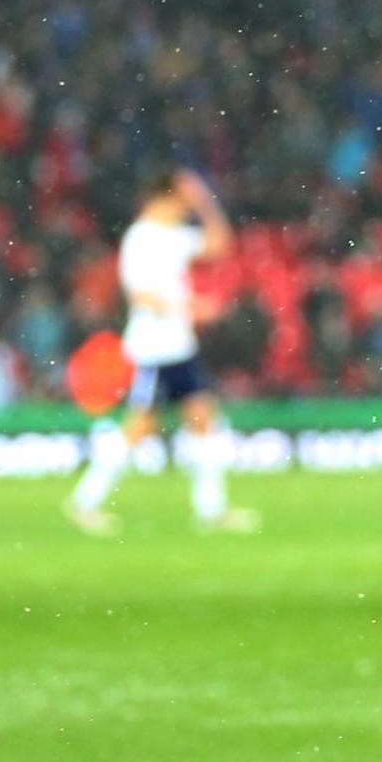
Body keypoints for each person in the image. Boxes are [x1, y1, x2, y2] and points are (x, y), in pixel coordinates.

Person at [65, 168, 258, 536]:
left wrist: (204, 201)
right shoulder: (141, 239)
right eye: (183, 200)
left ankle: (211, 509)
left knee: (202, 418)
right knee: (140, 426)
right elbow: (140, 295)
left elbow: (219, 244)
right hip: (153, 348)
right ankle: (85, 500)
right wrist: (191, 307)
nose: (186, 207)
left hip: (178, 346)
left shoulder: (174, 236)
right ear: (164, 197)